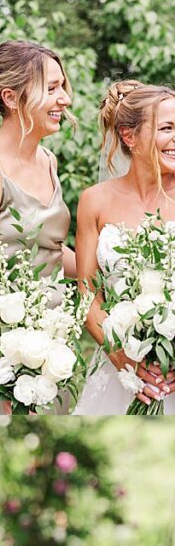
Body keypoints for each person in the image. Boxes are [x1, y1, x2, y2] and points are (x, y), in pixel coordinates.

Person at [0, 40, 75, 414]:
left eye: (62, 87)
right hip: (2, 356)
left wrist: (113, 269)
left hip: (53, 343)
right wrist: (16, 372)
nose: (65, 99)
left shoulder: (48, 160)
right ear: (11, 97)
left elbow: (51, 251)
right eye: (51, 89)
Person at [73, 81, 175, 414]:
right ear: (129, 136)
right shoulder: (94, 201)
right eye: (166, 128)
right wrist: (120, 355)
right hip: (120, 369)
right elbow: (88, 295)